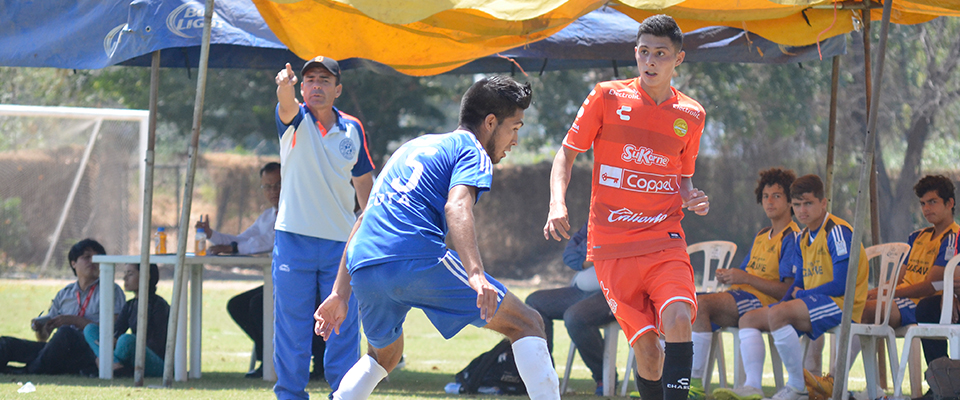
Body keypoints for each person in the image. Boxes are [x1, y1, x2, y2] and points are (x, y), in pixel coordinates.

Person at [315, 75, 560, 400]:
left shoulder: (411, 147)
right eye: (514, 127)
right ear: (490, 122)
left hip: (364, 265)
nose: (515, 140)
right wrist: (475, 275)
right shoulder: (472, 150)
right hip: (414, 256)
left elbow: (363, 220)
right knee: (527, 322)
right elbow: (457, 205)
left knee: (384, 356)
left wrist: (339, 294)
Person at [543, 14, 710, 400]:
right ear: (636, 53)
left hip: (664, 239)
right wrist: (556, 204)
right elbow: (565, 156)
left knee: (680, 318)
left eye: (660, 54)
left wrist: (692, 197)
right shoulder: (606, 96)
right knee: (648, 353)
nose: (650, 61)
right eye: (644, 52)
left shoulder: (692, 115)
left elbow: (683, 177)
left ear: (678, 59)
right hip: (612, 247)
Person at [713, 175, 869, 400]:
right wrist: (784, 303)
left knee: (779, 313)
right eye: (797, 205)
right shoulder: (803, 236)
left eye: (808, 203)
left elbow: (841, 285)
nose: (802, 210)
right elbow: (798, 284)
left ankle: (798, 388)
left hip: (842, 306)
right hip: (815, 301)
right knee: (749, 319)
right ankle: (752, 386)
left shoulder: (837, 231)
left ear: (823, 203)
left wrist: (801, 296)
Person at [273, 56, 375, 399]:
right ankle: (290, 394)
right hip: (293, 240)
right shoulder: (294, 118)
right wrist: (284, 89)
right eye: (310, 80)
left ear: (338, 89)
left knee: (342, 326)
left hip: (341, 246)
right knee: (292, 328)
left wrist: (371, 233)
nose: (316, 86)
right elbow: (285, 104)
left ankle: (344, 394)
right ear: (302, 87)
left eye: (324, 81)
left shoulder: (353, 129)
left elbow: (365, 188)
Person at [196, 162, 327, 379]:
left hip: (307, 281)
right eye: (267, 186)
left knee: (259, 305)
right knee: (238, 305)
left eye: (278, 185)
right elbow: (244, 240)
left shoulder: (298, 211)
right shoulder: (268, 216)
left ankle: (303, 361)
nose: (273, 191)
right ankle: (269, 357)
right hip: (282, 282)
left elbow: (269, 240)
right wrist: (212, 235)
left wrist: (233, 248)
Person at [689, 168, 799, 397]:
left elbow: (787, 290)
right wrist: (730, 275)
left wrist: (744, 278)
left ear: (790, 201)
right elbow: (744, 271)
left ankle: (694, 386)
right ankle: (667, 379)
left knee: (700, 307)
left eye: (777, 196)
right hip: (742, 298)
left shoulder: (791, 237)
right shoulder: (761, 234)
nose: (769, 201)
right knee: (683, 305)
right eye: (765, 196)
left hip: (761, 303)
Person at [0, 239, 125, 375]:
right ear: (73, 263)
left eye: (97, 257)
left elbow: (113, 330)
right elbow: (44, 337)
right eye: (86, 257)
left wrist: (74, 321)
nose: (93, 261)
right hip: (59, 349)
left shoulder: (111, 290)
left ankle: (29, 371)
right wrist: (41, 327)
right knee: (7, 343)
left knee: (66, 333)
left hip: (91, 352)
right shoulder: (65, 294)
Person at [524, 222, 616, 395]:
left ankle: (603, 376)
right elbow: (570, 255)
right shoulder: (597, 217)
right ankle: (544, 376)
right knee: (535, 302)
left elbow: (619, 251)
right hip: (582, 290)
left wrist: (601, 252)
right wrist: (592, 258)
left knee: (575, 316)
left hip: (615, 292)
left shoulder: (632, 215)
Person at [903, 176, 959, 367]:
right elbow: (899, 277)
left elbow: (932, 284)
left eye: (933, 202)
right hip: (927, 301)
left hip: (931, 300)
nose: (927, 209)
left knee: (926, 307)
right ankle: (940, 384)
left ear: (949, 203)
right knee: (927, 308)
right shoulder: (917, 237)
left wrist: (886, 293)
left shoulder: (954, 237)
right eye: (923, 203)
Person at [83, 263, 169, 377]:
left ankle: (106, 363)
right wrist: (112, 341)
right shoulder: (130, 305)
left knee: (127, 340)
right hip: (128, 355)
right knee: (90, 329)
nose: (125, 278)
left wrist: (120, 344)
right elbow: (116, 332)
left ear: (146, 277)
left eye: (130, 274)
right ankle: (113, 364)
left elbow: (157, 343)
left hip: (155, 361)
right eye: (125, 274)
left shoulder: (159, 305)